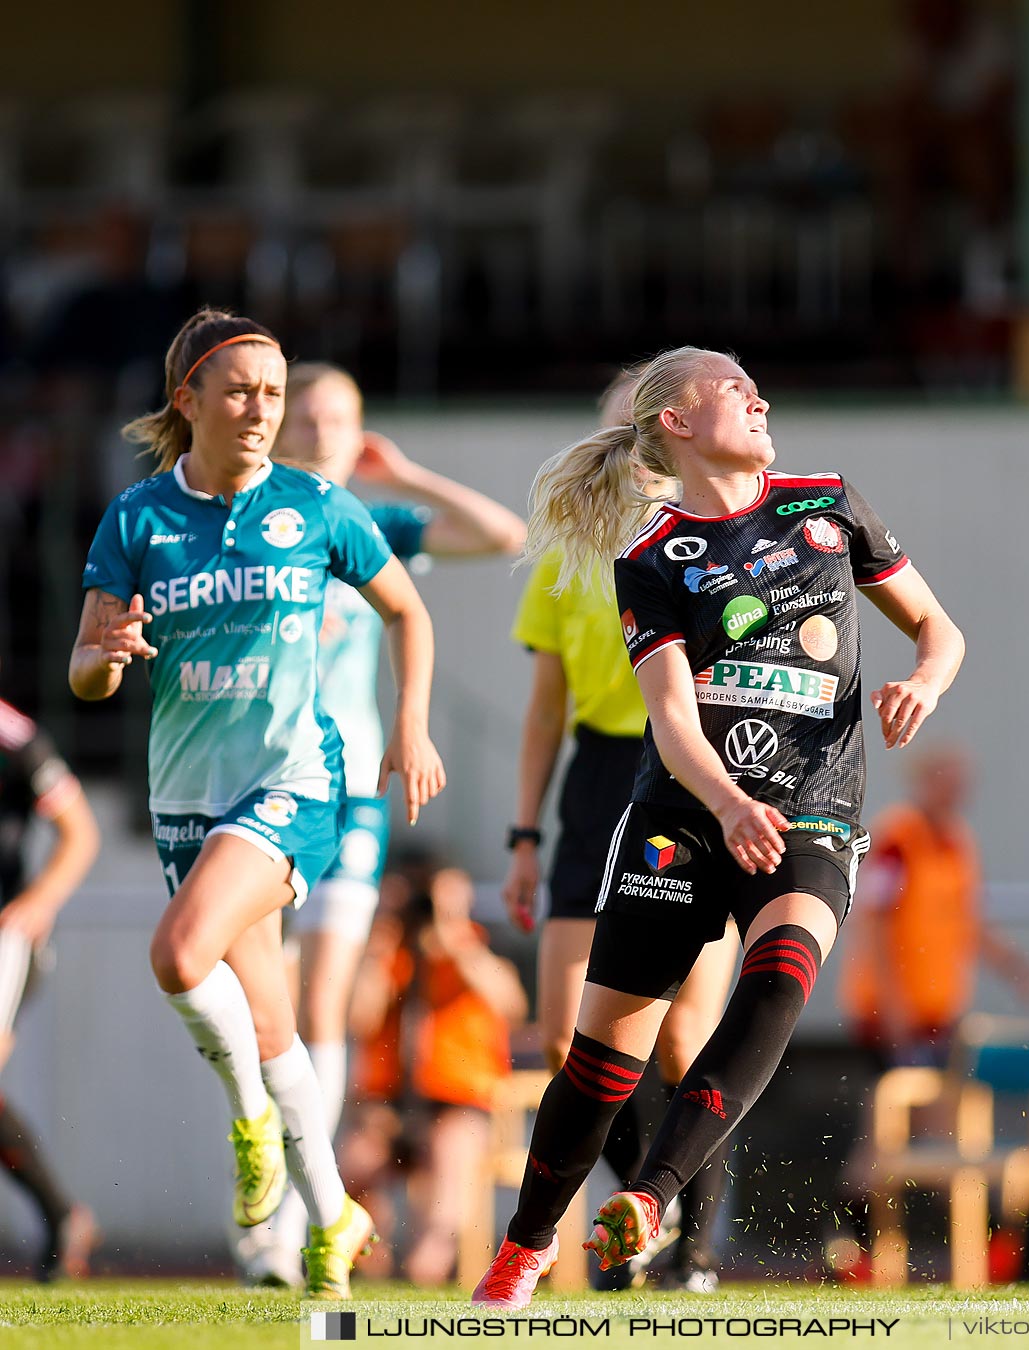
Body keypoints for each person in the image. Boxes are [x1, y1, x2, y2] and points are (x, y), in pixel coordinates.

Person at [471, 345, 963, 1307]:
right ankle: (523, 1251)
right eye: (735, 387)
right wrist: (730, 802)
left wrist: (924, 681)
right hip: (684, 818)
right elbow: (670, 718)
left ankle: (652, 1202)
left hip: (812, 808)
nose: (760, 397)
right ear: (676, 424)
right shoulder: (650, 557)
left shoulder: (829, 504)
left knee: (782, 973)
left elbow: (939, 628)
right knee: (601, 1059)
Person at [69, 308, 447, 1299]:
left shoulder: (317, 506)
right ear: (186, 397)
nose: (261, 409)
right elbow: (84, 668)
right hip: (184, 796)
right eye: (239, 389)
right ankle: (332, 1215)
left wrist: (409, 726)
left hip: (292, 783)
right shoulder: (138, 516)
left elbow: (408, 610)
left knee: (179, 954)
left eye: (273, 392)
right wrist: (104, 661)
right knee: (272, 1024)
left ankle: (249, 1129)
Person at [226, 361, 524, 1285]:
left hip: (345, 789)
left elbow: (502, 533)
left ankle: (294, 1225)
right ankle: (257, 1199)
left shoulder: (367, 523)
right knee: (250, 997)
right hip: (244, 783)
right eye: (307, 417)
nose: (322, 433)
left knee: (319, 1000)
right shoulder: (238, 524)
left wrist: (404, 475)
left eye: (341, 421)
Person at [502, 367, 740, 1292]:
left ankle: (693, 1242)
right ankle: (642, 1202)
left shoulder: (714, 540)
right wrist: (523, 835)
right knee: (572, 1041)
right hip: (598, 781)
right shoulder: (568, 556)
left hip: (689, 779)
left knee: (683, 1041)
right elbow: (543, 708)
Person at [345, 854, 525, 1286]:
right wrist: (379, 946)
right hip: (391, 1102)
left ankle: (426, 1270)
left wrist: (455, 936)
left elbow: (512, 1005)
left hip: (459, 1102)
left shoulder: (478, 954)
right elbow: (358, 1019)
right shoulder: (390, 956)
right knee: (354, 1162)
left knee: (451, 1156)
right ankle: (370, 1258)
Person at [839, 743, 1029, 1067]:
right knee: (892, 1108)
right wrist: (893, 1010)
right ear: (923, 783)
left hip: (938, 1009)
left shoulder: (957, 841)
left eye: (960, 786)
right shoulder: (898, 840)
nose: (955, 794)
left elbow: (968, 920)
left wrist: (1015, 967)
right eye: (946, 784)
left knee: (936, 1107)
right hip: (892, 1012)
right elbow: (874, 924)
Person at [0, 685, 101, 1279]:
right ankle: (63, 1214)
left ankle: (63, 1217)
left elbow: (81, 833)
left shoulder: (16, 738)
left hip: (6, 932)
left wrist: (40, 901)